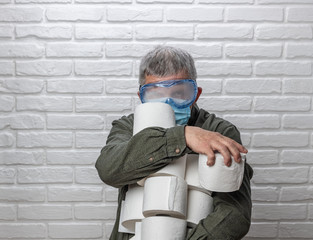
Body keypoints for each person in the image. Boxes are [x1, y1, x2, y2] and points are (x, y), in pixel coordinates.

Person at [95, 46, 253, 240]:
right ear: (141, 98)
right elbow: (108, 170)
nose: (168, 103)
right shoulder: (128, 126)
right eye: (155, 95)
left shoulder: (219, 132)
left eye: (180, 93)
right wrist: (184, 136)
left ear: (196, 94)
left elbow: (234, 214)